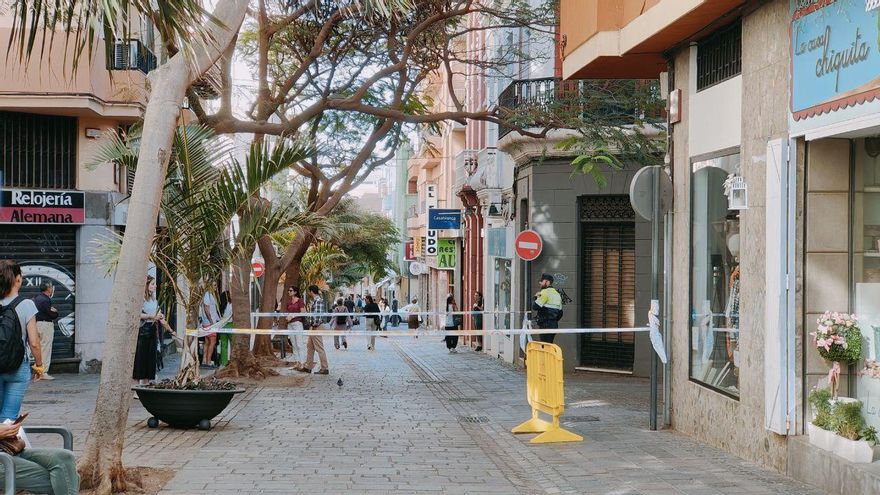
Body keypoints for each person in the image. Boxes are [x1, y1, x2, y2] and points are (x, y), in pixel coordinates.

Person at [0, 260, 44, 421]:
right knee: (9, 417)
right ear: (17, 279)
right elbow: (34, 342)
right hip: (17, 366)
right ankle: (5, 446)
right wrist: (39, 367)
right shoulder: (26, 304)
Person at [0, 422, 79, 494]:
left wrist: (8, 428)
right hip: (3, 460)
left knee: (65, 457)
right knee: (67, 478)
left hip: (8, 449)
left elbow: (8, 416)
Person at [134, 276, 173, 385]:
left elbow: (160, 317)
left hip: (152, 332)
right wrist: (152, 316)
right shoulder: (140, 299)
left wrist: (170, 330)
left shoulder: (154, 300)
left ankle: (145, 384)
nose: (155, 286)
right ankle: (136, 387)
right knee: (140, 359)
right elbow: (137, 314)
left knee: (150, 359)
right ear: (146, 286)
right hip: (142, 332)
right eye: (152, 284)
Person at [295, 285, 329, 375]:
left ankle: (324, 368)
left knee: (319, 348)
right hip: (313, 327)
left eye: (309, 291)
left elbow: (318, 315)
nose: (309, 293)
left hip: (316, 327)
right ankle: (308, 367)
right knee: (310, 347)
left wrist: (314, 325)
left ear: (311, 291)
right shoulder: (315, 301)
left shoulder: (318, 301)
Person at [31, 283, 58, 381]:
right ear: (48, 289)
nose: (52, 289)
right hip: (45, 325)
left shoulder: (36, 299)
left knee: (39, 348)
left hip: (36, 324)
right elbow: (51, 314)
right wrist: (55, 312)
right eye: (51, 287)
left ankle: (37, 371)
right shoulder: (46, 300)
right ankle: (43, 372)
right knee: (46, 348)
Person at [533, 273, 563, 343]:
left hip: (545, 325)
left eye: (542, 281)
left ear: (548, 282)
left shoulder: (544, 292)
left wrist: (535, 297)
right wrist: (553, 320)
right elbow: (560, 313)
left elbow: (535, 307)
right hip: (554, 325)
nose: (540, 283)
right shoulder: (557, 294)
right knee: (550, 344)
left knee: (544, 346)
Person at [285, 287, 306, 366]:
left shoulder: (300, 300)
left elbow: (303, 312)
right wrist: (287, 317)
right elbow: (287, 312)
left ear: (295, 292)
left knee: (299, 344)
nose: (289, 292)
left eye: (290, 290)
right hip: (290, 324)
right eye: (288, 290)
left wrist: (293, 316)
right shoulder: (289, 302)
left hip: (297, 323)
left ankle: (302, 362)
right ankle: (297, 362)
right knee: (293, 344)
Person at [199, 291, 221, 368]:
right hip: (210, 323)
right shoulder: (207, 294)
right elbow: (206, 307)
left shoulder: (207, 294)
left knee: (207, 341)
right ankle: (208, 361)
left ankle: (204, 360)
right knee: (212, 341)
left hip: (206, 322)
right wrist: (211, 320)